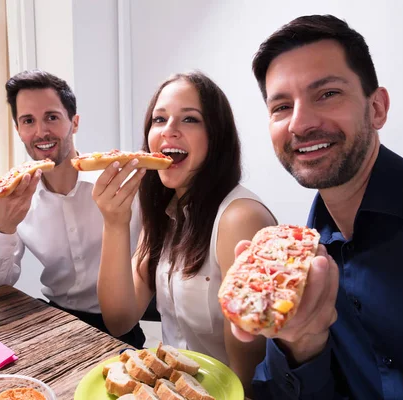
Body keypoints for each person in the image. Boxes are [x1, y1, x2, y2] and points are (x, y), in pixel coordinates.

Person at [230, 14, 403, 399]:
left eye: (327, 93)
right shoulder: (303, 262)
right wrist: (301, 345)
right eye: (280, 107)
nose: (300, 123)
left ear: (377, 108)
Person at [93, 71, 278, 393]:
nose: (169, 131)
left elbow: (252, 368)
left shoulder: (239, 219)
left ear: (216, 136)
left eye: (189, 119)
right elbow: (119, 319)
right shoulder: (166, 213)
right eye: (159, 119)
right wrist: (115, 222)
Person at [0, 70, 145, 348]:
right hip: (53, 320)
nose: (41, 132)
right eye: (28, 121)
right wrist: (1, 227)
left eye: (52, 117)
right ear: (18, 130)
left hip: (121, 325)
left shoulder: (122, 183)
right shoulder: (15, 196)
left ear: (74, 123)